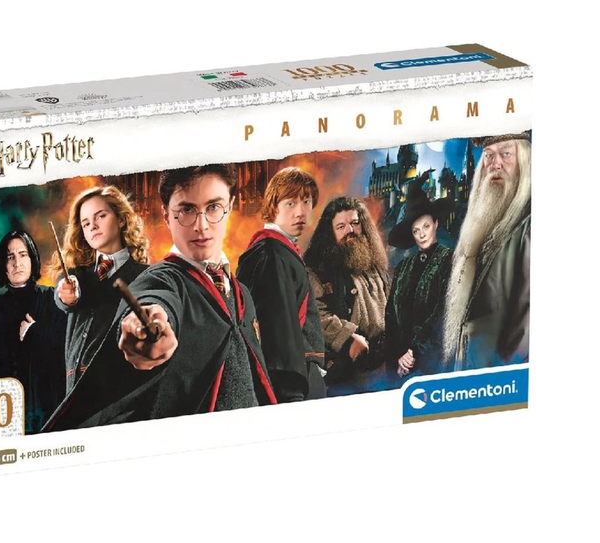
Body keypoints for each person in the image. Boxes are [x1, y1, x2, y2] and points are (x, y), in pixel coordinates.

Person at [43, 164, 276, 431]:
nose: (201, 226)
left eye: (213, 207)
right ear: (166, 215)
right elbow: (154, 295)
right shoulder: (160, 276)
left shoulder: (240, 292)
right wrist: (144, 325)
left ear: (230, 206)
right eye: (186, 210)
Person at [236, 166, 326, 401]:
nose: (301, 212)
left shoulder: (278, 251)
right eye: (291, 203)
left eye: (306, 202)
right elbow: (278, 334)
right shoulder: (272, 254)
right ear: (274, 207)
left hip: (301, 374)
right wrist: (291, 393)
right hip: (290, 384)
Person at [443, 132, 531, 370]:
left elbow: (524, 337)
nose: (495, 164)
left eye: (506, 154)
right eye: (489, 156)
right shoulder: (481, 227)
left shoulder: (530, 228)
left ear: (524, 160)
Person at [52, 185, 149, 396]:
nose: (93, 226)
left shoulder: (145, 275)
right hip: (75, 390)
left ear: (121, 219)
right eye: (86, 223)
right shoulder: (75, 275)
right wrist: (67, 294)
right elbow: (63, 293)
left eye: (101, 216)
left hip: (121, 389)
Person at [0, 230, 67, 434]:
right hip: (5, 414)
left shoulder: (54, 301)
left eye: (23, 254)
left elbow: (68, 351)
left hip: (49, 409)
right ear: (3, 265)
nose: (17, 263)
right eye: (10, 257)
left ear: (32, 259)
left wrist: (36, 332)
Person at [305, 196, 389, 395]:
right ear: (330, 232)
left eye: (354, 223)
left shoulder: (374, 263)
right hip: (346, 370)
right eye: (341, 226)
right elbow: (314, 312)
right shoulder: (318, 268)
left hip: (381, 364)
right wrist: (347, 338)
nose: (350, 230)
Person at [384, 175, 453, 386]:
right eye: (416, 230)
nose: (422, 234)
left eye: (426, 227)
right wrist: (398, 355)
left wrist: (413, 352)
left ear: (436, 224)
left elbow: (443, 312)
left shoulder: (450, 260)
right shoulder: (403, 268)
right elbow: (391, 316)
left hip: (432, 362)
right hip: (398, 365)